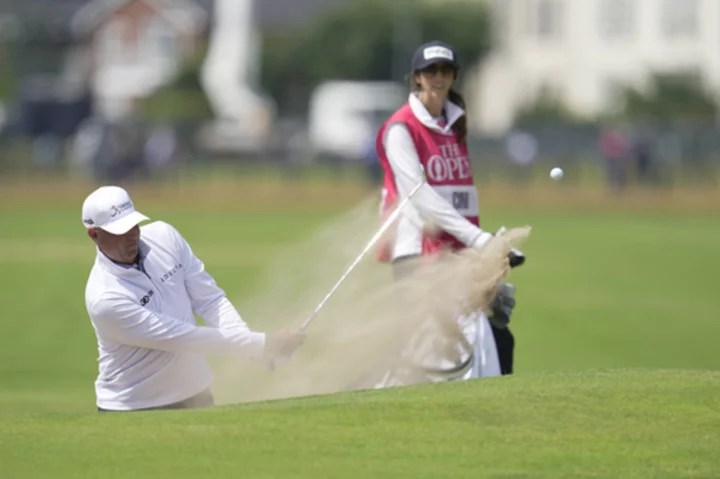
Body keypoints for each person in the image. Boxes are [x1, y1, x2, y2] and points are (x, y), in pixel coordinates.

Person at [373, 40, 524, 386]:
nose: (438, 77)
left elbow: (461, 197)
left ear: (454, 76)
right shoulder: (401, 128)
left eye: (445, 70)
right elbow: (420, 195)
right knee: (423, 351)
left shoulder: (455, 124)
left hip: (459, 253)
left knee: (495, 334)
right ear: (417, 79)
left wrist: (487, 248)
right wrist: (483, 241)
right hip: (417, 256)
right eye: (430, 71)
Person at [82, 185, 306, 412]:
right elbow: (182, 338)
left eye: (133, 225)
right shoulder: (105, 298)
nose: (131, 236)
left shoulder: (165, 236)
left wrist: (249, 345)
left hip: (196, 396)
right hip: (135, 407)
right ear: (94, 234)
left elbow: (210, 299)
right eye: (120, 231)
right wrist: (262, 344)